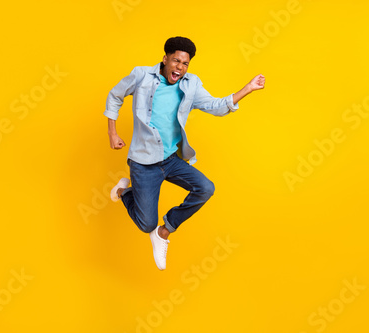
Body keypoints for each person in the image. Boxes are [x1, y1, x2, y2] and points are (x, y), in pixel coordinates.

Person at [104, 36, 265, 270]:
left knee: (205, 188)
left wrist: (247, 89)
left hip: (170, 160)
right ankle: (123, 191)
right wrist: (112, 133)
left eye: (185, 63)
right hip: (143, 163)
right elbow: (114, 96)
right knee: (145, 224)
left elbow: (216, 107)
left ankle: (164, 232)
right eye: (176, 61)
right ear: (165, 59)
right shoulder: (141, 76)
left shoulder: (191, 84)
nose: (180, 67)